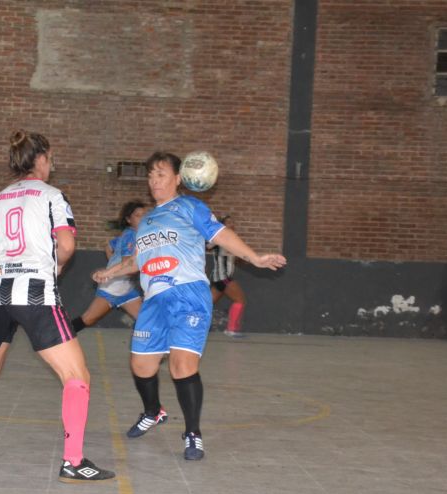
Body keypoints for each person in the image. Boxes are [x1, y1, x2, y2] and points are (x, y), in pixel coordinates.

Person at [0, 130, 115, 483]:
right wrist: (55, 265)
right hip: (34, 293)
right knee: (77, 376)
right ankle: (73, 462)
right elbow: (66, 244)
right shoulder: (52, 196)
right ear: (41, 158)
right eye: (50, 157)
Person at [92, 151, 286, 460]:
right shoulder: (148, 221)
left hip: (188, 295)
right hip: (154, 300)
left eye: (161, 174)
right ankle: (154, 411)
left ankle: (192, 433)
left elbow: (221, 234)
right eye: (151, 175)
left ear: (178, 179)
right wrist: (110, 272)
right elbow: (137, 260)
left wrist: (255, 257)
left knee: (182, 367)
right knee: (141, 366)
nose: (154, 181)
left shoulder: (189, 206)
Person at [71, 201, 148, 333]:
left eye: (145, 215)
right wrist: (111, 271)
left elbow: (108, 246)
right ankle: (57, 336)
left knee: (145, 321)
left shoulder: (130, 233)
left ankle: (149, 351)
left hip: (126, 289)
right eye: (138, 215)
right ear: (128, 219)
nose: (143, 218)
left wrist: (111, 265)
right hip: (112, 287)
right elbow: (128, 265)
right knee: (88, 319)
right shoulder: (131, 235)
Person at [207, 215, 248, 337]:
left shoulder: (232, 240)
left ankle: (193, 326)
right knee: (240, 300)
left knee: (207, 304)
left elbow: (238, 257)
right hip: (222, 277)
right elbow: (208, 245)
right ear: (222, 225)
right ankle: (231, 329)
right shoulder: (218, 239)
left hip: (219, 278)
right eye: (228, 223)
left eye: (232, 222)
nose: (231, 224)